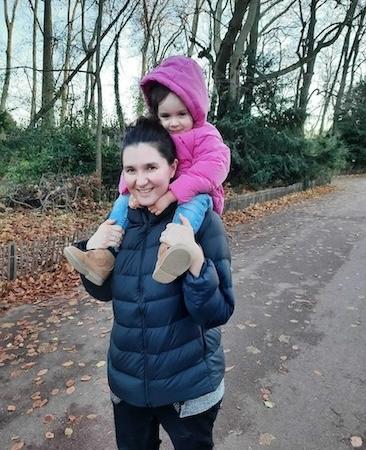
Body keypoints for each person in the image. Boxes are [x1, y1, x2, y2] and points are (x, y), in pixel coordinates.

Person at [76, 117, 235, 450]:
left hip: (188, 389)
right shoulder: (122, 221)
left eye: (151, 167)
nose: (141, 180)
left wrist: (194, 261)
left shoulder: (202, 223)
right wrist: (94, 247)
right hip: (129, 385)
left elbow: (216, 312)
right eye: (131, 170)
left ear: (173, 167)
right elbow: (104, 292)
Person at [64, 55, 230, 286]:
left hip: (197, 193)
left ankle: (170, 251)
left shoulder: (205, 135)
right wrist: (129, 191)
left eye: (181, 114)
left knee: (193, 204)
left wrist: (172, 194)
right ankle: (102, 255)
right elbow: (134, 165)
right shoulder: (157, 139)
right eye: (165, 116)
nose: (173, 123)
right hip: (157, 195)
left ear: (196, 109)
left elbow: (214, 168)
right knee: (121, 203)